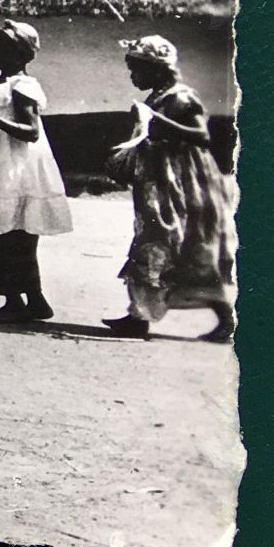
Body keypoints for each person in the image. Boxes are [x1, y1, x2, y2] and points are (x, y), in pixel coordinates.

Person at [103, 36, 237, 342]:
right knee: (154, 242)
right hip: (160, 183)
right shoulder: (158, 96)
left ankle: (226, 317)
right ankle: (138, 316)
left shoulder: (182, 97)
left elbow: (202, 136)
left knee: (177, 244)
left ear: (157, 69)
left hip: (183, 183)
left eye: (137, 69)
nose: (132, 76)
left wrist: (156, 121)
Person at [0, 20, 73, 323]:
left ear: (20, 55)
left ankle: (26, 300)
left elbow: (31, 131)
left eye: (1, 48)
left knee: (14, 235)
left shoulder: (23, 86)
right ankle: (22, 300)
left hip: (15, 169)